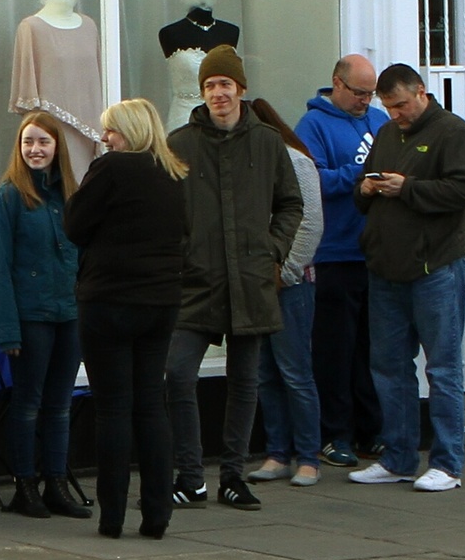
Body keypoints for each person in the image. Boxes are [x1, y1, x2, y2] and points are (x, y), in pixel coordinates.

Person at [165, 49, 302, 512]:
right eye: (210, 86)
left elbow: (290, 204)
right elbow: (160, 210)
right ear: (201, 93)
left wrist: (273, 252)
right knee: (178, 373)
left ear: (240, 89)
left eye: (225, 84)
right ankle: (190, 477)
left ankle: (232, 476)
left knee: (246, 381)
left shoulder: (266, 142)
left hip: (250, 280)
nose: (218, 94)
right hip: (196, 281)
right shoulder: (180, 143)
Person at [351, 61, 465, 492]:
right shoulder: (388, 134)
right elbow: (362, 191)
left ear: (421, 92)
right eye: (389, 107)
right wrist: (366, 189)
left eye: (401, 105)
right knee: (389, 367)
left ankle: (448, 463)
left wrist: (406, 188)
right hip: (386, 266)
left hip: (436, 267)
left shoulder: (453, 132)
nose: (395, 114)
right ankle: (399, 457)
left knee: (442, 367)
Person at [63, 98, 190, 540]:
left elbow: (74, 226)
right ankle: (157, 514)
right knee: (151, 406)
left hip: (109, 300)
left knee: (114, 409)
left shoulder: (111, 169)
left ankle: (112, 516)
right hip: (160, 303)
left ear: (129, 132)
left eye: (111, 130)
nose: (104, 138)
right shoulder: (174, 173)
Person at [0, 110, 89, 520]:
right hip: (31, 317)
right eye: (28, 142)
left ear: (57, 147)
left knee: (60, 404)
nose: (35, 150)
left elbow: (83, 257)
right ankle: (24, 485)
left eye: (43, 142)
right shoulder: (8, 198)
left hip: (70, 314)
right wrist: (8, 330)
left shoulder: (71, 197)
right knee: (28, 403)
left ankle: (57, 485)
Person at [294, 55, 387, 466]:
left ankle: (373, 430)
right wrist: (359, 175)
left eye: (371, 93)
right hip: (334, 252)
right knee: (336, 349)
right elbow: (310, 180)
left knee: (372, 347)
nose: (366, 101)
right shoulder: (312, 125)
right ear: (337, 83)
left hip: (375, 252)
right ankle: (336, 433)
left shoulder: (381, 121)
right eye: (359, 92)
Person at [249, 107, 329, 488]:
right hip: (256, 283)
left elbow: (310, 222)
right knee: (265, 372)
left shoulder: (296, 162)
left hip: (290, 284)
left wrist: (287, 271)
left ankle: (309, 457)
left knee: (295, 371)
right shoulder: (247, 163)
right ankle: (277, 453)